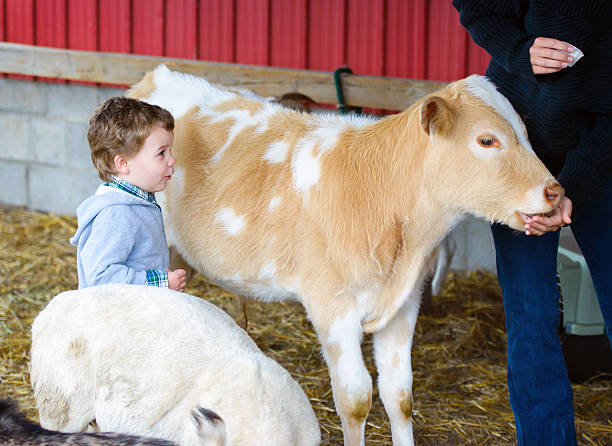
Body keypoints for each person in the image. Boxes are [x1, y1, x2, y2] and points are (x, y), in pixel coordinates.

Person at [453, 1, 612, 444]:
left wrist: (574, 185)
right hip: (520, 140)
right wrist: (518, 50)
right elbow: (477, 7)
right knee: (529, 313)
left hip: (603, 145)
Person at [71, 97, 186, 292]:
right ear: (123, 164)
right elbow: (99, 277)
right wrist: (160, 281)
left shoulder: (138, 202)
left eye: (170, 151)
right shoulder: (117, 214)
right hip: (118, 317)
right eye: (161, 153)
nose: (172, 160)